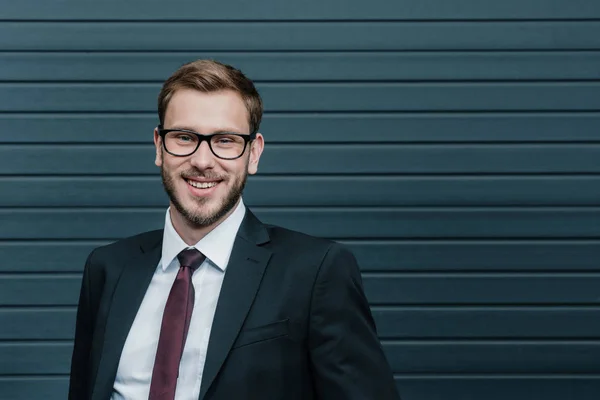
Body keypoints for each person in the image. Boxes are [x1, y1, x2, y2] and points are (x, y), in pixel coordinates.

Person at [68, 59, 400, 400]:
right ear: (158, 146)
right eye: (184, 137)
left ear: (253, 154)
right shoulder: (108, 268)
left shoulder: (316, 272)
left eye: (225, 140)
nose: (202, 160)